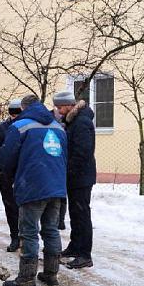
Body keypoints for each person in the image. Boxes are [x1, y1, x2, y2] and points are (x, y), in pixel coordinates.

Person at [0, 95, 67, 286]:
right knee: (51, 230)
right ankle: (51, 275)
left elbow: (7, 158)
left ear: (23, 108)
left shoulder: (20, 126)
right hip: (56, 185)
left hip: (33, 185)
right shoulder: (58, 127)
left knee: (29, 232)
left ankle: (26, 280)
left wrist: (11, 177)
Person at [53, 92, 97, 269]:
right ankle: (75, 247)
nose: (58, 110)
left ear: (69, 105)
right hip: (75, 176)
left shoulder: (81, 123)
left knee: (82, 215)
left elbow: (82, 153)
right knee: (75, 214)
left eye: (60, 107)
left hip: (81, 177)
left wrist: (67, 170)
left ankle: (85, 254)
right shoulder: (73, 121)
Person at [0, 99, 23, 252]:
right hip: (6, 174)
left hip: (23, 173)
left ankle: (26, 237)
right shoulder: (1, 128)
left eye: (18, 113)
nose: (15, 116)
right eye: (12, 113)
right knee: (10, 206)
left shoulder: (25, 127)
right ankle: (14, 237)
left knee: (25, 206)